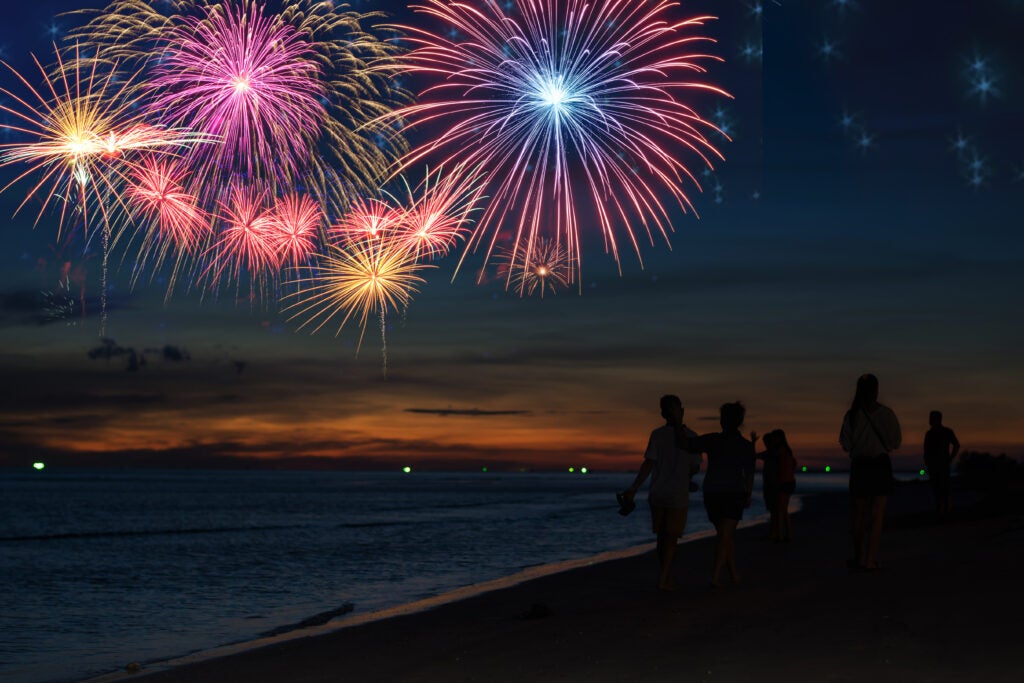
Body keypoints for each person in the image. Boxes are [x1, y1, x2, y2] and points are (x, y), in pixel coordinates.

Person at [620, 395, 700, 591]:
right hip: (677, 495)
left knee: (661, 537)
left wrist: (633, 489)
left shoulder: (657, 435)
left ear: (663, 414)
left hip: (657, 493)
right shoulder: (692, 436)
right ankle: (664, 578)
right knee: (671, 538)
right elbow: (695, 466)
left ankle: (666, 575)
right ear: (681, 411)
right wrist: (687, 478)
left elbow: (649, 464)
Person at [686, 402, 755, 588]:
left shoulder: (714, 440)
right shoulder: (745, 445)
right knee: (725, 535)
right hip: (729, 492)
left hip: (715, 492)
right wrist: (748, 493)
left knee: (724, 535)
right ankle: (723, 575)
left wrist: (678, 426)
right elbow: (749, 473)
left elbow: (688, 444)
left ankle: (725, 576)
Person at [839, 374, 901, 571]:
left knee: (858, 515)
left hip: (860, 465)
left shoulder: (852, 415)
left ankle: (859, 558)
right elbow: (895, 443)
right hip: (880, 465)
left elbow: (846, 445)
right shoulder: (887, 414)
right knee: (877, 515)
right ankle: (870, 560)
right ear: (876, 390)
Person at [924, 411, 960, 518]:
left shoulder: (945, 432)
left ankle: (946, 509)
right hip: (935, 465)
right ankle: (941, 509)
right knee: (937, 487)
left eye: (931, 418)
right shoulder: (930, 433)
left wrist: (951, 458)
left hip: (942, 464)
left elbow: (956, 445)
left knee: (944, 487)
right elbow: (926, 450)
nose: (929, 420)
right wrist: (927, 461)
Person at [755, 431, 780, 540]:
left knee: (774, 510)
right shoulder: (772, 453)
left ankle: (774, 533)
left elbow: (754, 456)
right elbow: (754, 456)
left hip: (773, 484)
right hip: (771, 484)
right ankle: (774, 532)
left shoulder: (772, 453)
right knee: (774, 510)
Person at [773, 429, 797, 542]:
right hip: (790, 481)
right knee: (783, 510)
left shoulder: (780, 451)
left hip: (783, 482)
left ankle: (781, 535)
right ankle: (788, 534)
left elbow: (779, 467)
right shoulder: (788, 451)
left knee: (781, 510)